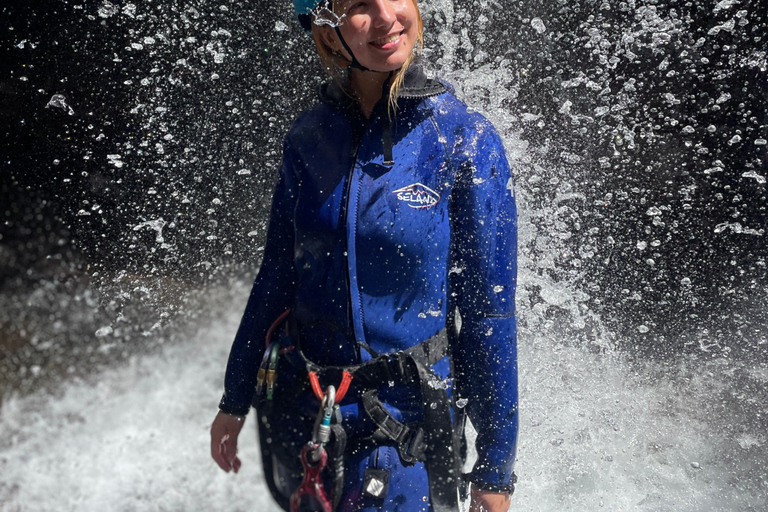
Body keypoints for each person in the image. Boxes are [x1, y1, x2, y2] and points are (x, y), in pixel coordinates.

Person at [210, 1, 518, 511]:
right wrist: (235, 398)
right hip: (311, 420)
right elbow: (276, 278)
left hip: (408, 433)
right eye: (358, 5)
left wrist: (495, 468)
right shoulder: (307, 138)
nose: (386, 17)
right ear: (327, 30)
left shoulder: (464, 139)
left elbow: (490, 314)